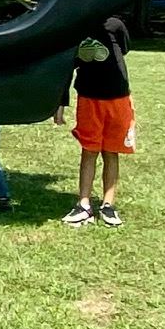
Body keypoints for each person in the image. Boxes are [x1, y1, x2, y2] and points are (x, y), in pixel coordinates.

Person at [56, 14, 136, 227]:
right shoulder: (76, 26)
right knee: (89, 151)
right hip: (89, 98)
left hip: (117, 98)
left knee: (111, 151)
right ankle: (84, 205)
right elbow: (67, 66)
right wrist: (61, 102)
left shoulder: (115, 24)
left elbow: (124, 49)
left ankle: (108, 205)